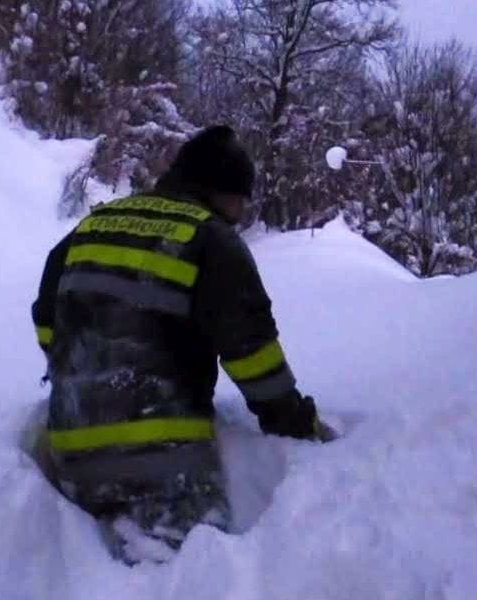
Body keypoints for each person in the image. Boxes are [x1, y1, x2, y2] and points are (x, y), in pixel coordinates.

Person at [31, 125, 337, 563]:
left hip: (71, 457)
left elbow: (48, 321)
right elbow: (253, 355)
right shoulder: (210, 239)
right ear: (218, 190)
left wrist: (84, 376)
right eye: (240, 198)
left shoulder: (92, 226)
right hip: (165, 465)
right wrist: (297, 424)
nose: (241, 211)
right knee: (190, 573)